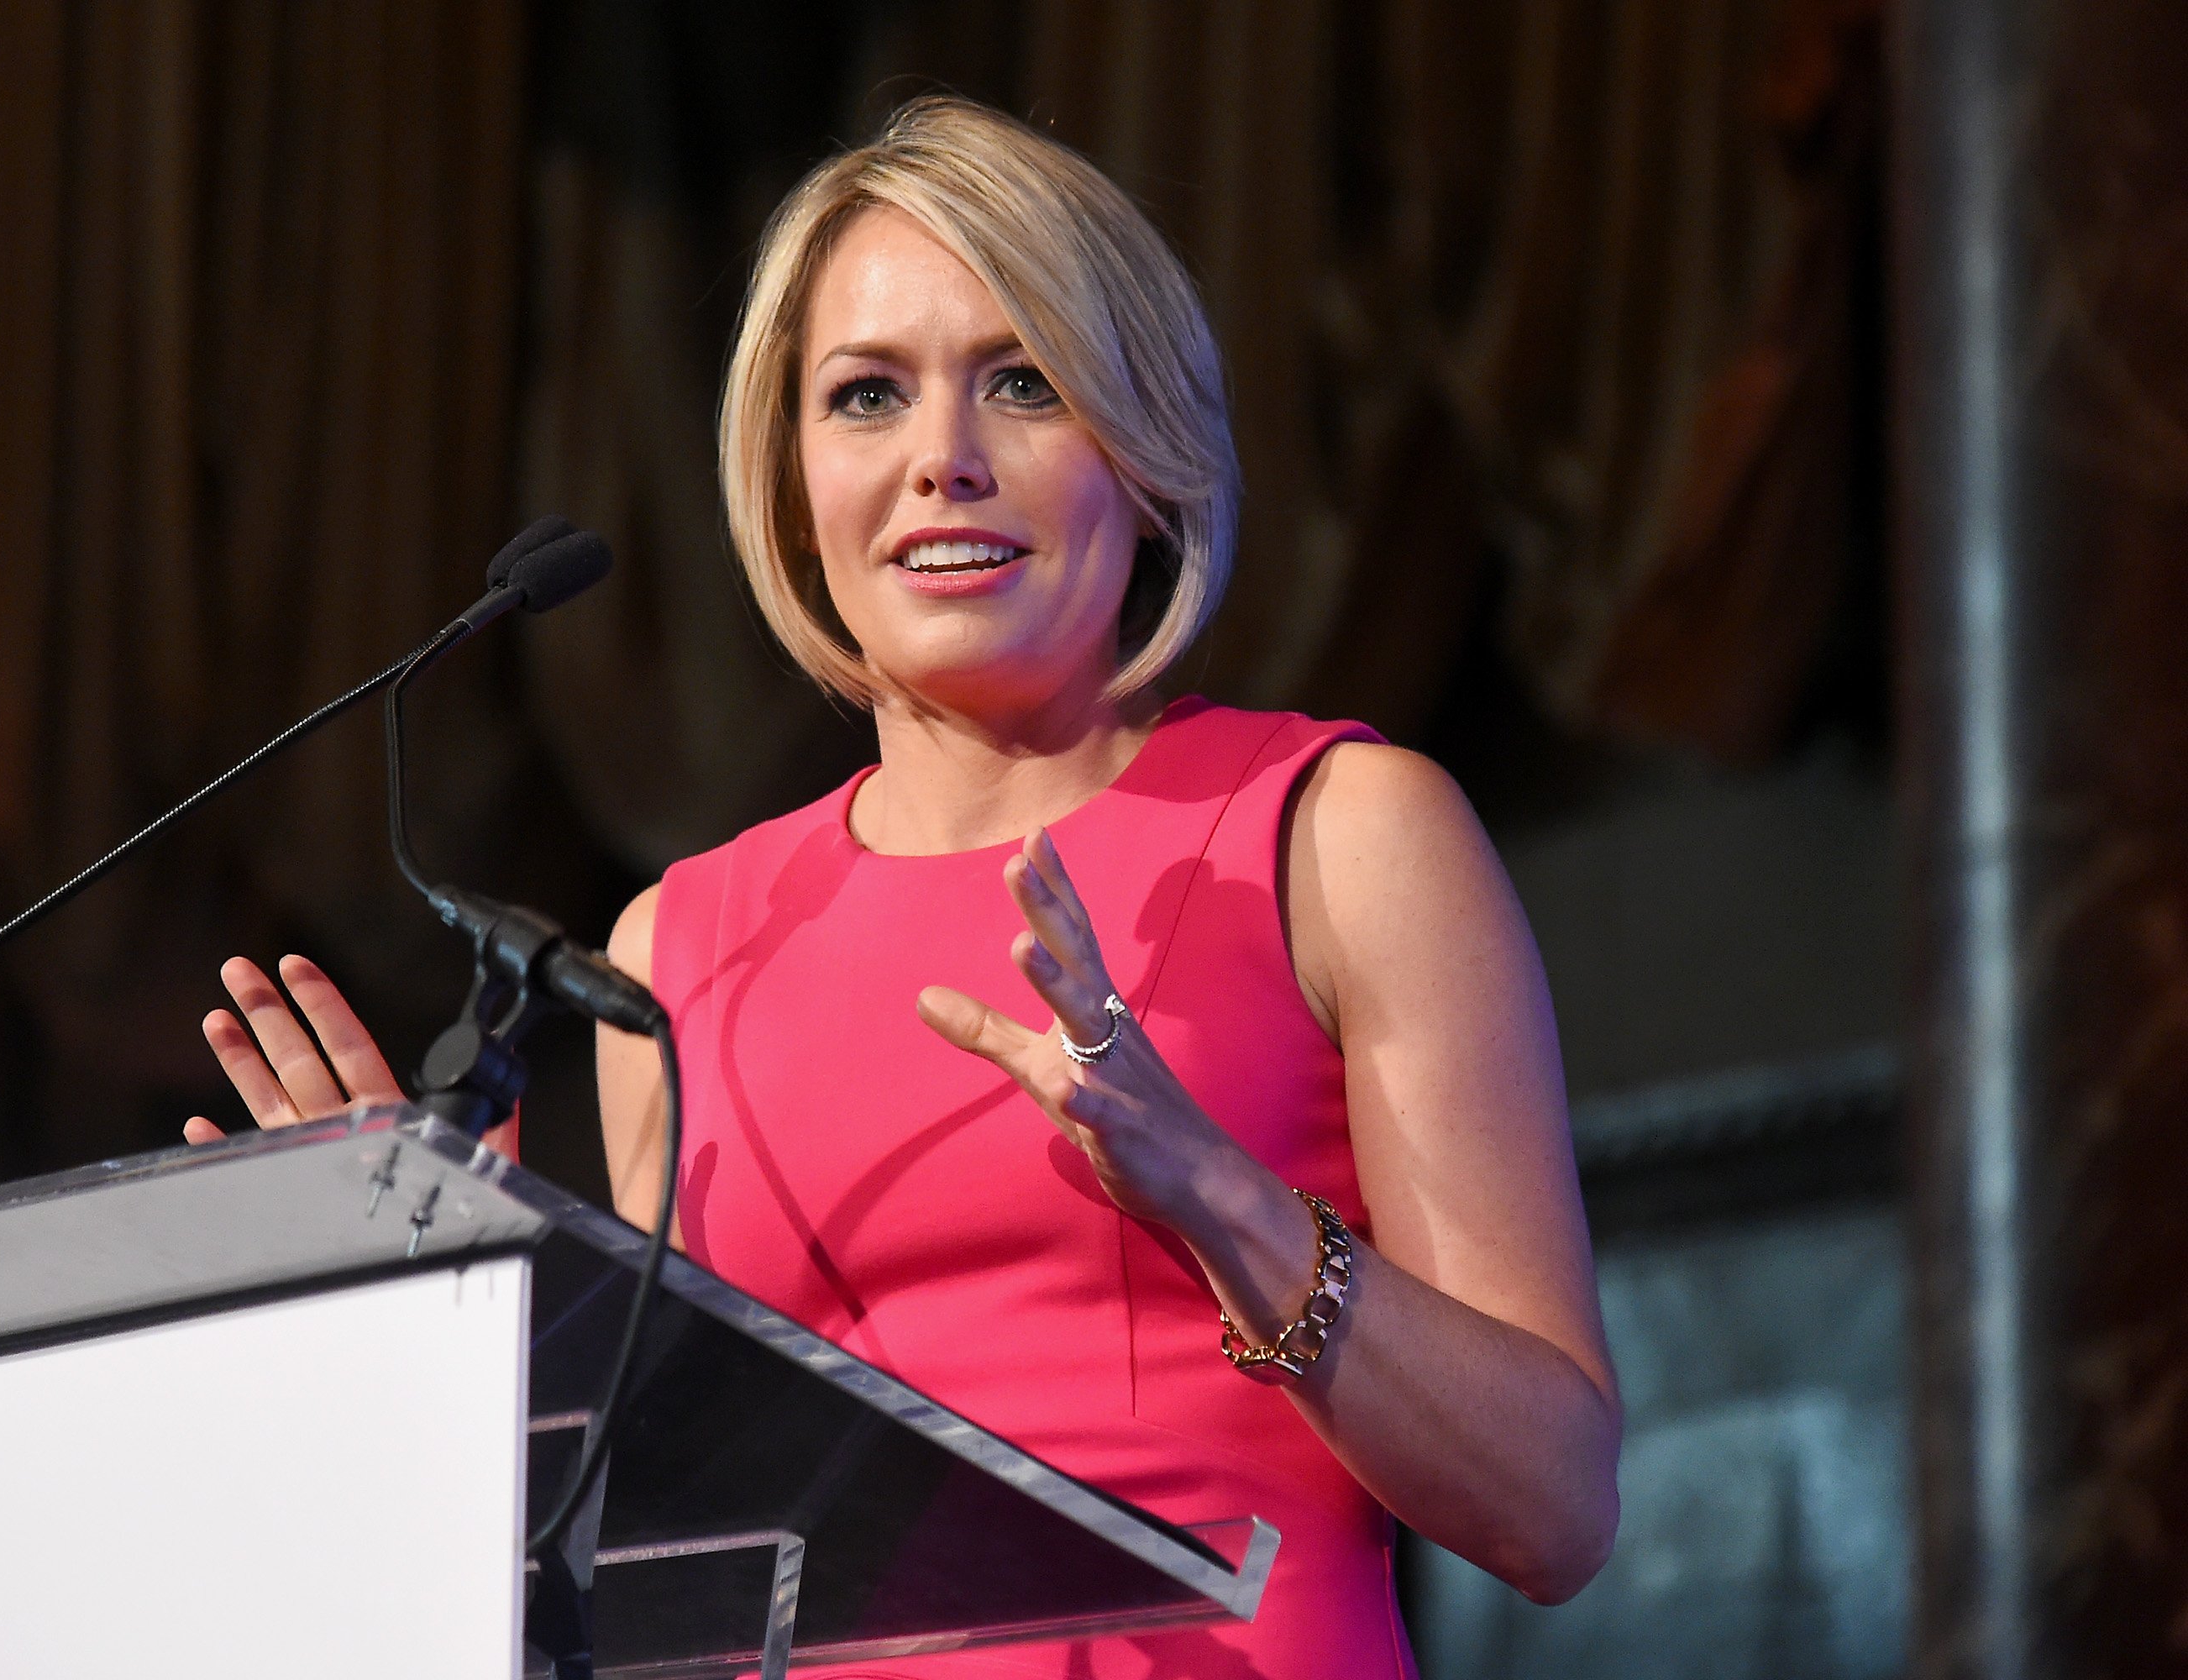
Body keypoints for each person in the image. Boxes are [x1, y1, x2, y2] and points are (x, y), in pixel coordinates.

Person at [186, 96, 1619, 1678]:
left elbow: (1552, 1509)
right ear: (793, 479)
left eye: (1021, 384)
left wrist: (1219, 1197)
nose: (943, 461)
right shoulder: (677, 948)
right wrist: (460, 1329)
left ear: (1143, 455)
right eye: (866, 396)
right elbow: (629, 1584)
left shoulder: (1339, 833)